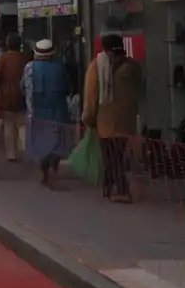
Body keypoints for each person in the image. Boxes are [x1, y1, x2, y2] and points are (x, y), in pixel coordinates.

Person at [84, 33, 144, 203]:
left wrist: (89, 119)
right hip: (126, 122)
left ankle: (122, 191)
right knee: (115, 155)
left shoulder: (97, 67)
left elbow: (91, 96)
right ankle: (108, 186)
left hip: (106, 122)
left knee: (111, 158)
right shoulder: (133, 67)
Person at [25, 39, 74, 185]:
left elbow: (23, 87)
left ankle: (44, 170)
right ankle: (54, 166)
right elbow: (68, 87)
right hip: (59, 111)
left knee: (40, 142)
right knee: (58, 141)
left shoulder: (30, 68)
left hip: (38, 112)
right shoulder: (60, 67)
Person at [0, 33, 29, 162]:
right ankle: (26, 149)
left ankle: (11, 154)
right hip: (22, 95)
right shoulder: (25, 58)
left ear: (7, 44)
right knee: (22, 124)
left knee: (8, 126)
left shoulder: (2, 58)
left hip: (6, 95)